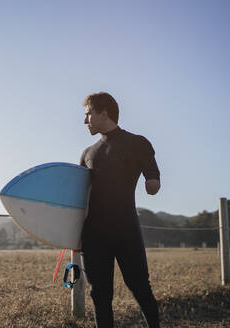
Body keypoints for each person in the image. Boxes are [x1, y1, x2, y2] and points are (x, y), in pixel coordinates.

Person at [79, 92, 161, 328]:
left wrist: (152, 181)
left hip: (126, 231)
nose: (85, 121)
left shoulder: (137, 143)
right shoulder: (87, 154)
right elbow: (77, 200)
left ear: (103, 113)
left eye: (88, 114)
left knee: (140, 288)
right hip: (93, 235)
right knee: (100, 296)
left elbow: (153, 180)